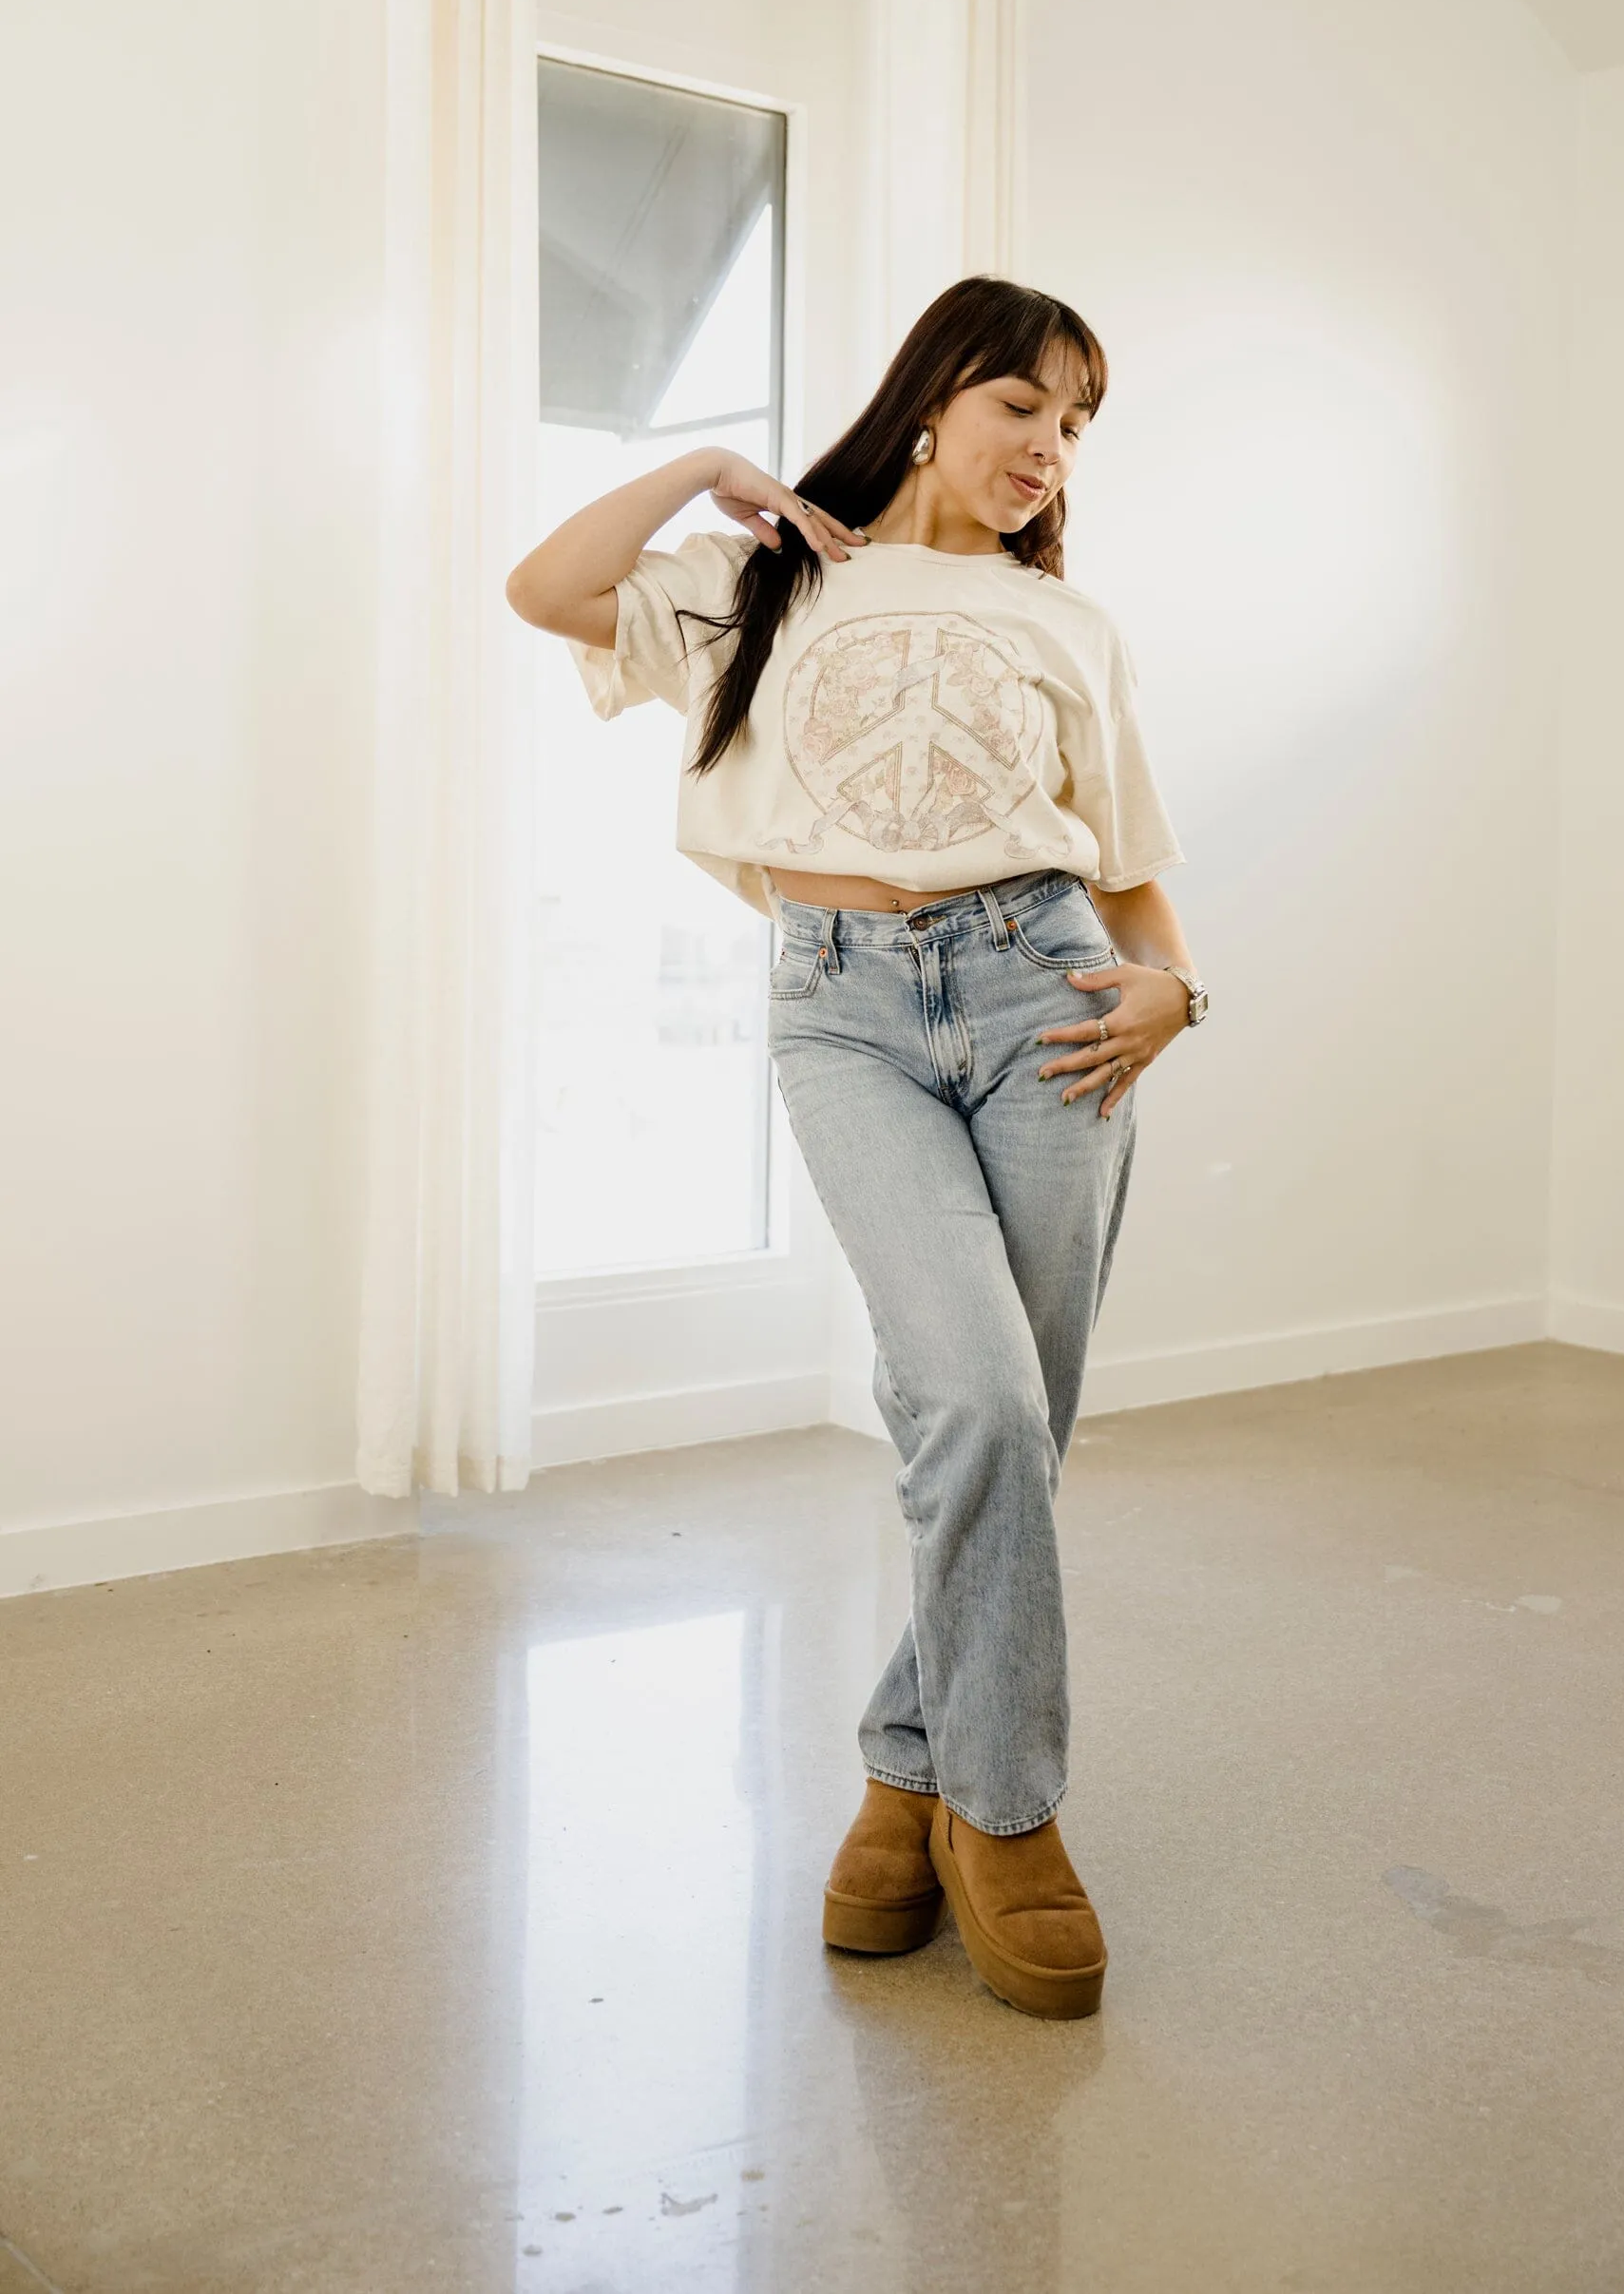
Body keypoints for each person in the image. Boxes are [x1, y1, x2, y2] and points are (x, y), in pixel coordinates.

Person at [506, 275, 1208, 2019]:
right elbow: (544, 589)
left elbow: (1124, 860)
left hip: (1053, 994)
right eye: (1022, 407)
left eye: (1074, 425)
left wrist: (1174, 995)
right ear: (931, 400)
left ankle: (905, 1779)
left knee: (1014, 1423)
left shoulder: (1073, 626)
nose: (1048, 450)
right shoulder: (769, 578)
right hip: (843, 1008)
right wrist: (700, 469)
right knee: (971, 1399)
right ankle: (1010, 1814)